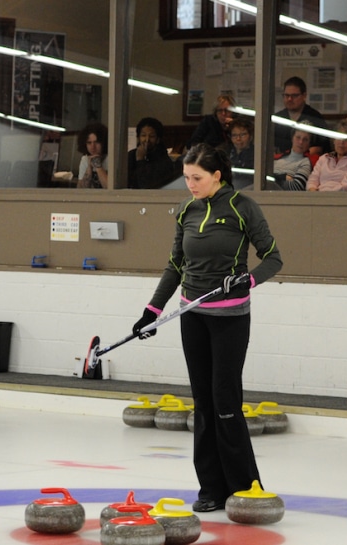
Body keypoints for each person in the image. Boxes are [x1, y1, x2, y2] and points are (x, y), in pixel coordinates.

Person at [132, 143, 282, 513]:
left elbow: (273, 258)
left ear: (217, 175)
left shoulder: (242, 207)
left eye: (196, 178)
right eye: (185, 178)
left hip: (230, 319)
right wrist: (152, 310)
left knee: (225, 402)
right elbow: (175, 266)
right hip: (193, 315)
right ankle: (211, 488)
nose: (190, 184)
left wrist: (249, 280)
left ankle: (245, 485)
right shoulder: (186, 210)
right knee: (202, 403)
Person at [307, 120, 347, 192]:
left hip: (343, 199)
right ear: (334, 139)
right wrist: (313, 192)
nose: (342, 142)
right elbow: (312, 180)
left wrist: (322, 194)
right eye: (339, 137)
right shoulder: (323, 158)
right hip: (318, 198)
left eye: (346, 139)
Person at [273, 76, 328, 156]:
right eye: (286, 95)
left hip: (306, 163)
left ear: (304, 96)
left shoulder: (315, 118)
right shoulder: (277, 118)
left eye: (294, 96)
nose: (289, 99)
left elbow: (319, 148)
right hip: (279, 163)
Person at [128, 117, 177, 190]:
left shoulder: (163, 160)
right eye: (143, 135)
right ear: (138, 138)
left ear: (158, 139)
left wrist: (140, 160)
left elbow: (146, 185)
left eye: (151, 136)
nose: (147, 140)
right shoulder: (131, 155)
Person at [77, 122, 109, 189]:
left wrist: (98, 166)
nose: (93, 147)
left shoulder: (110, 158)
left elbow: (109, 188)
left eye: (96, 142)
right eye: (89, 143)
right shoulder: (85, 159)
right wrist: (89, 168)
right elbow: (81, 190)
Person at [226, 118, 254, 189]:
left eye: (243, 135)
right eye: (234, 135)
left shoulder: (256, 154)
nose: (238, 139)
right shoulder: (226, 152)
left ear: (250, 136)